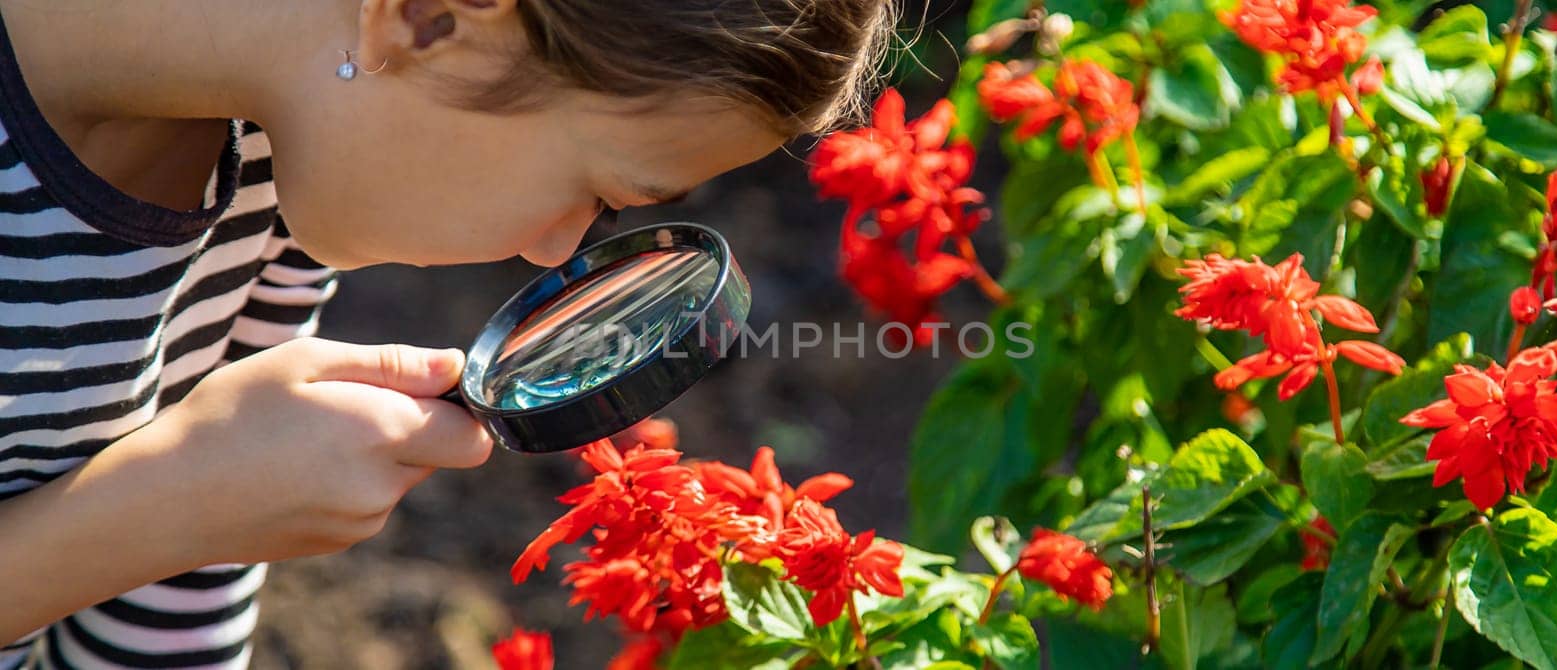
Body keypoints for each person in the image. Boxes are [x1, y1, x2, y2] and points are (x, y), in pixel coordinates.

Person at [0, 0, 895, 665]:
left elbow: (171, 604)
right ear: (426, 20)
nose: (555, 247)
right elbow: (172, 520)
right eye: (602, 193)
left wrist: (199, 512)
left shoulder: (293, 141)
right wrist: (167, 509)